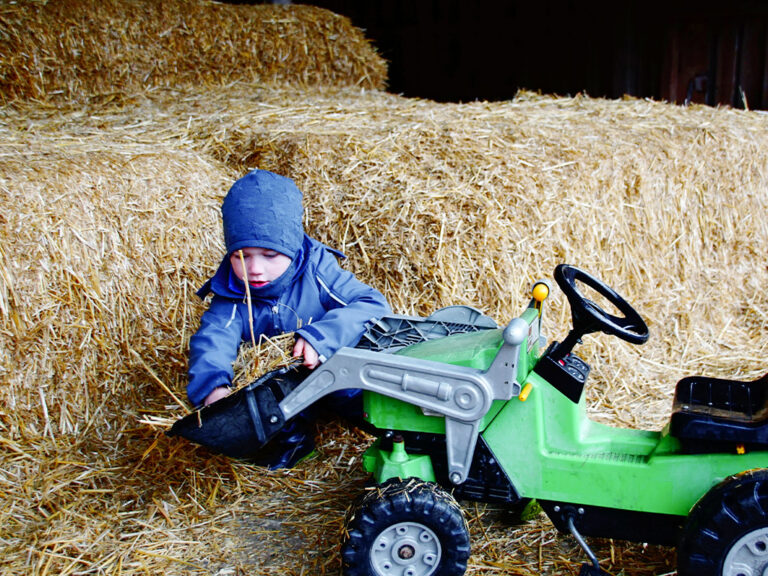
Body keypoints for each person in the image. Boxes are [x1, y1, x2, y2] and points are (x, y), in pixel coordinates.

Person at [187, 169, 390, 466]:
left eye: (269, 255)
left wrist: (322, 337)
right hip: (285, 388)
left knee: (365, 402)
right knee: (265, 420)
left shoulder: (316, 270)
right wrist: (214, 389)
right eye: (241, 256)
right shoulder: (232, 291)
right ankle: (294, 445)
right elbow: (213, 339)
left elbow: (371, 304)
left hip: (331, 369)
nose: (254, 268)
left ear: (293, 248)